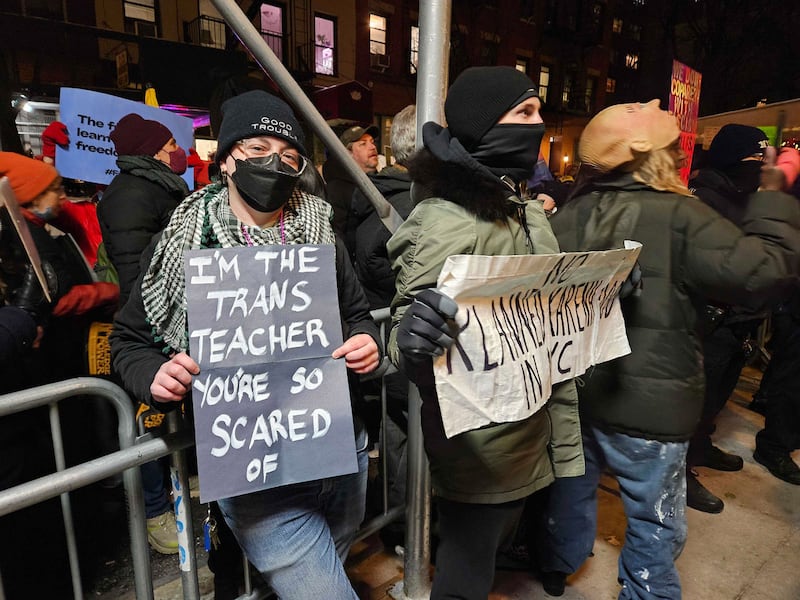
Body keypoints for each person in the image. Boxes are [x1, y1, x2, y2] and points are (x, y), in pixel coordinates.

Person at [109, 89, 381, 598]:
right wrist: (154, 375)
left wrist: (366, 341)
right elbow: (129, 341)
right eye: (256, 149)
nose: (274, 163)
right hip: (254, 472)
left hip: (341, 451)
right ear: (227, 159)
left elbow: (358, 315)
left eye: (289, 156)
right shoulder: (182, 242)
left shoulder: (323, 232)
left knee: (322, 569)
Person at [538, 100, 800, 599]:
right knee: (655, 520)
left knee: (570, 492)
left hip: (576, 392)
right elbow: (765, 273)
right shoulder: (679, 214)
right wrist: (774, 194)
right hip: (651, 407)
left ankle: (557, 566)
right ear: (655, 154)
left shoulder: (572, 212)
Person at [386, 66, 584, 600]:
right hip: (481, 442)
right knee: (466, 572)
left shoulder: (525, 210)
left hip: (530, 423)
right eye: (525, 112)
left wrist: (606, 291)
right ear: (485, 124)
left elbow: (547, 305)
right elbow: (404, 330)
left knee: (489, 553)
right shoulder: (447, 218)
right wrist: (411, 334)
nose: (539, 123)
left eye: (538, 111)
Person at [685, 124, 772, 513]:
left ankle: (701, 447)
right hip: (713, 319)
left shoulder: (747, 198)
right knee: (694, 403)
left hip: (740, 320)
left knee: (716, 397)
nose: (761, 167)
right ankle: (680, 472)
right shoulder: (704, 200)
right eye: (756, 159)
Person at [350, 104, 417, 549]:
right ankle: (408, 526)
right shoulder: (405, 203)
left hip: (393, 333)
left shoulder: (379, 195)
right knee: (406, 432)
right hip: (400, 337)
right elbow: (373, 255)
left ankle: (403, 524)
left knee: (399, 434)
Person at [97, 112, 190, 307]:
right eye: (172, 144)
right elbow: (133, 267)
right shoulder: (129, 195)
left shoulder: (159, 185)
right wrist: (143, 321)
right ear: (155, 152)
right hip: (154, 307)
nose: (179, 150)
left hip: (171, 296)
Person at [321, 123, 380, 243]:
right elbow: (337, 236)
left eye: (372, 142)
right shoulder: (337, 189)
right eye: (363, 144)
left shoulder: (380, 182)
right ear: (348, 153)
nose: (372, 147)